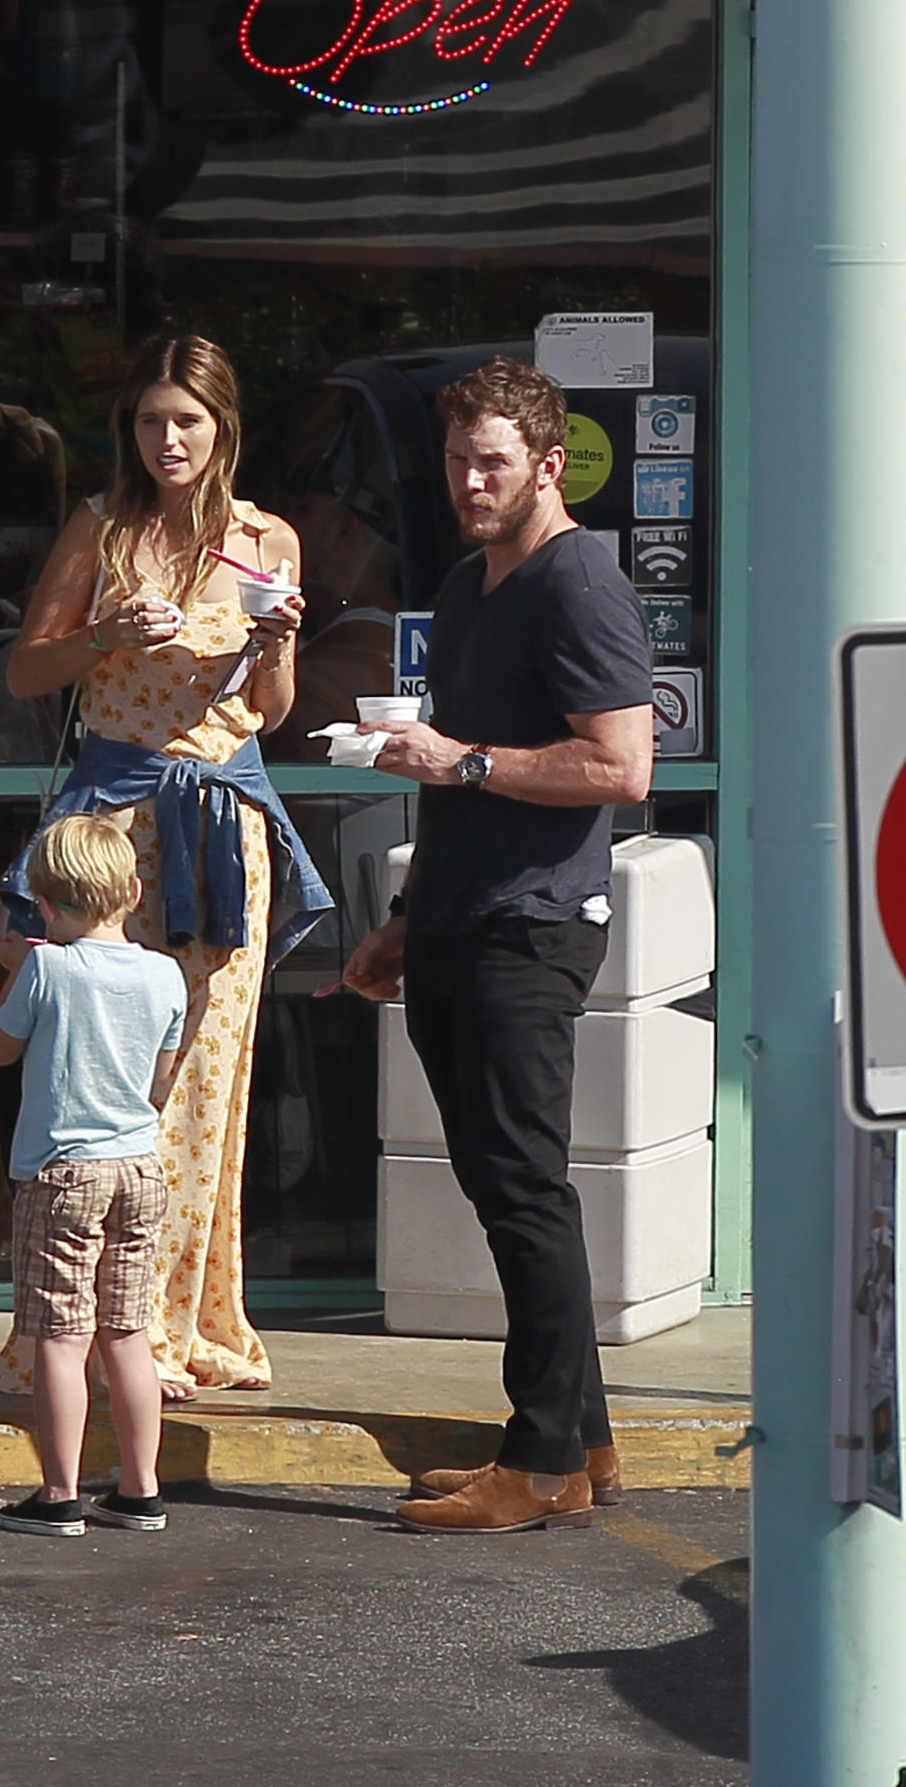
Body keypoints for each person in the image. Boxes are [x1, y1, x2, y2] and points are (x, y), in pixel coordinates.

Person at [342, 356, 654, 1534]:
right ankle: (590, 1442)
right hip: (462, 919)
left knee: (524, 1188)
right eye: (457, 461)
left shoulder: (579, 584)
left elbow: (622, 766)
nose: (470, 481)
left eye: (493, 462)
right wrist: (406, 923)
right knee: (504, 1184)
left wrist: (459, 761)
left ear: (546, 464)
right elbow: (463, 785)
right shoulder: (474, 585)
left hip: (534, 926)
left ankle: (537, 1462)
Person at [0, 333, 332, 1405]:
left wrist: (278, 640)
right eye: (149, 418)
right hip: (111, 827)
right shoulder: (104, 526)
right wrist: (100, 633)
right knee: (89, 1074)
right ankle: (70, 1328)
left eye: (187, 419)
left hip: (222, 825)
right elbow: (24, 672)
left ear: (222, 425)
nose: (168, 438)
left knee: (197, 1084)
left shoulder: (263, 537)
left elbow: (271, 712)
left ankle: (170, 1330)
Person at [0, 814, 187, 1536]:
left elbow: (0, 1048)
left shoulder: (45, 967)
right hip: (140, 1167)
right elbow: (160, 1081)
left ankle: (61, 1491)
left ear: (43, 902)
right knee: (127, 1332)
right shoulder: (166, 973)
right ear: (133, 892)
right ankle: (140, 1488)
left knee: (61, 1338)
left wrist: (13, 969)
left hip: (63, 1172)